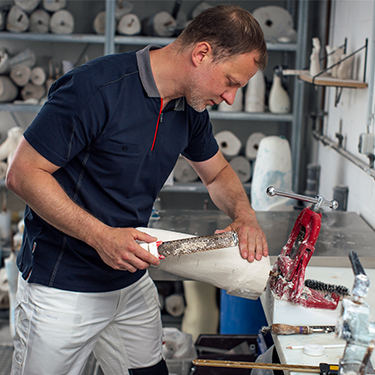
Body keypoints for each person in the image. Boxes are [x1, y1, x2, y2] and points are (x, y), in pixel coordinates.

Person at [6, 4, 269, 375]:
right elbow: (22, 173)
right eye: (230, 82)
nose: (230, 98)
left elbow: (217, 174)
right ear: (201, 53)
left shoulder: (190, 109)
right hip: (63, 286)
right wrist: (101, 236)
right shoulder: (96, 88)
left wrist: (244, 216)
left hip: (128, 281)